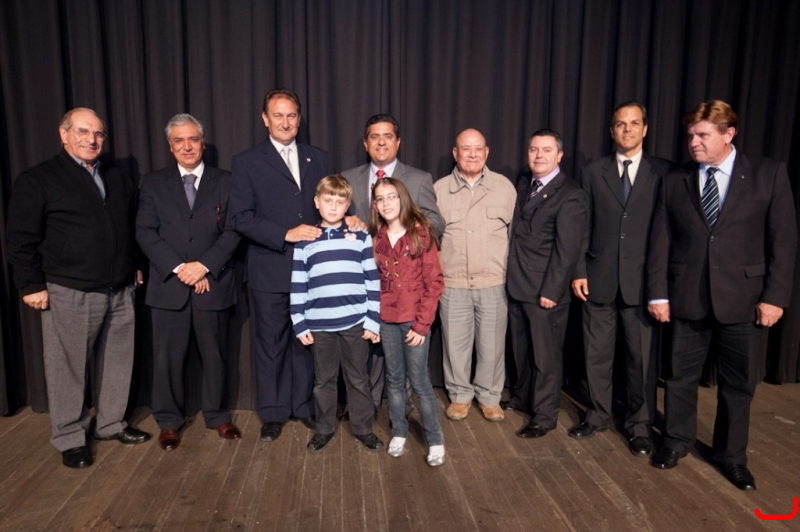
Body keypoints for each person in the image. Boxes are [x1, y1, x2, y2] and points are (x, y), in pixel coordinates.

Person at [646, 100, 796, 490]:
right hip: (686, 296)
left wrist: (775, 297)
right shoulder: (675, 179)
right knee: (679, 378)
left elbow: (783, 241)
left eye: (702, 135)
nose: (693, 143)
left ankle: (731, 456)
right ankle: (676, 441)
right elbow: (661, 239)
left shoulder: (767, 174)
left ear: (729, 134)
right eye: (691, 136)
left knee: (739, 385)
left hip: (745, 300)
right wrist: (658, 293)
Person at [6, 107, 150, 469]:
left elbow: (128, 227)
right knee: (66, 366)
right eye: (83, 132)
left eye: (98, 134)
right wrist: (30, 283)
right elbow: (20, 238)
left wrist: (134, 265)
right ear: (64, 134)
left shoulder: (115, 177)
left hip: (120, 288)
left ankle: (110, 423)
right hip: (69, 289)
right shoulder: (38, 179)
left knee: (117, 360)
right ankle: (70, 436)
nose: (92, 140)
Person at [229, 89, 334, 442]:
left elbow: (332, 204)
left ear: (299, 119)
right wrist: (284, 234)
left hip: (314, 270)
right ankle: (273, 412)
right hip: (269, 266)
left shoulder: (320, 159)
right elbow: (240, 217)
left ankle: (303, 406)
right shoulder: (247, 162)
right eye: (278, 115)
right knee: (270, 343)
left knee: (306, 342)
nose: (285, 122)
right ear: (265, 119)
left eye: (291, 115)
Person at [568, 102, 672, 457]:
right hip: (598, 280)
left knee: (641, 362)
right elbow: (583, 226)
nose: (627, 130)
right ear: (612, 131)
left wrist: (661, 287)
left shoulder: (663, 171)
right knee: (596, 356)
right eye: (620, 124)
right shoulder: (592, 171)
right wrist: (579, 269)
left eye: (634, 123)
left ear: (645, 129)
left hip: (643, 284)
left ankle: (639, 426)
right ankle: (597, 415)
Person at [136, 113, 242, 451]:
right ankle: (168, 421)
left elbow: (233, 230)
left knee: (216, 355)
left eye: (193, 139)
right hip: (169, 287)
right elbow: (145, 232)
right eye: (179, 141)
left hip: (213, 284)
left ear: (202, 143)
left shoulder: (226, 181)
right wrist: (182, 268)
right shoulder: (153, 183)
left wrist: (205, 266)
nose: (187, 146)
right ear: (170, 147)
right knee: (167, 359)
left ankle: (217, 415)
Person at [342, 113, 444, 413]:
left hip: (404, 277)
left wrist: (403, 233)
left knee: (405, 357)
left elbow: (436, 221)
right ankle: (368, 406)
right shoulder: (348, 177)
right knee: (368, 347)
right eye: (374, 136)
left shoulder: (419, 178)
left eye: (387, 136)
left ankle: (403, 411)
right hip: (362, 279)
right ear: (365, 143)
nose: (381, 142)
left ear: (398, 142)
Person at [290, 175, 384, 452]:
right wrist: (299, 322)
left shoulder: (360, 236)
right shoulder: (305, 241)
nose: (333, 207)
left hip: (355, 322)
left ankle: (364, 428)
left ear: (348, 205)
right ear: (316, 202)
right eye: (328, 200)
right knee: (324, 381)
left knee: (358, 378)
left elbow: (372, 280)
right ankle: (324, 428)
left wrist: (373, 320)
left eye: (340, 202)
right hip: (319, 325)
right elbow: (298, 283)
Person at [507, 129, 589, 438]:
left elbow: (567, 251)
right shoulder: (524, 183)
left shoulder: (571, 194)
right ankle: (522, 397)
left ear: (559, 156)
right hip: (518, 284)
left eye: (546, 150)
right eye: (533, 149)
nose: (539, 155)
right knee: (522, 351)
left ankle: (545, 415)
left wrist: (552, 292)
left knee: (546, 358)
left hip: (544, 291)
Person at [434, 129, 517, 422]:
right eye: (465, 149)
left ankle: (490, 397)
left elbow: (516, 236)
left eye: (478, 148)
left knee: (492, 346)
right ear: (455, 153)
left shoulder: (504, 188)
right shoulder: (439, 190)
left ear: (487, 152)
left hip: (493, 283)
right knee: (455, 346)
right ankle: (459, 396)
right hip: (453, 284)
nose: (472, 154)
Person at [370, 177, 446, 466]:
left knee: (420, 381)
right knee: (394, 379)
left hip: (414, 322)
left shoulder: (419, 234)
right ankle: (399, 432)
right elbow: (372, 283)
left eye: (391, 196)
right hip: (387, 320)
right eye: (380, 199)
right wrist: (374, 321)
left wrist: (422, 325)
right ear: (375, 206)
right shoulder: (376, 238)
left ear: (402, 198)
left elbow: (434, 283)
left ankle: (435, 439)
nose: (386, 203)